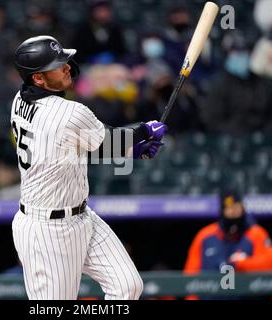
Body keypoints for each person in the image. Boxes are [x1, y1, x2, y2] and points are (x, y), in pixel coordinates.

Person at [11, 35, 167, 300]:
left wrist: (133, 150)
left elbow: (74, 146)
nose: (68, 67)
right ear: (38, 79)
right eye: (58, 65)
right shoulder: (68, 112)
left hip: (82, 216)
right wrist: (143, 131)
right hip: (47, 231)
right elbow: (107, 140)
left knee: (127, 286)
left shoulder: (20, 99)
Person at [184, 191, 272, 299]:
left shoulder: (256, 233)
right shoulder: (205, 236)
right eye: (229, 208)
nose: (233, 212)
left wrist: (240, 264)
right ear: (222, 211)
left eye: (236, 208)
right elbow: (190, 279)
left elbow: (271, 265)